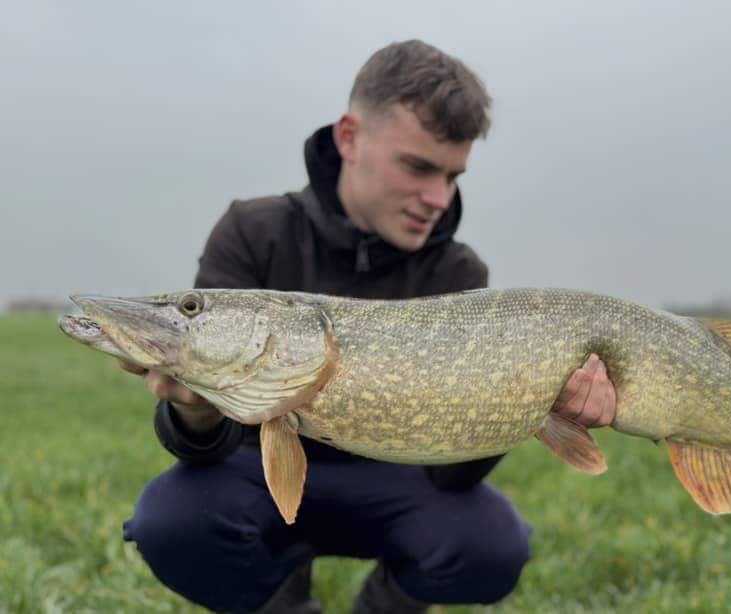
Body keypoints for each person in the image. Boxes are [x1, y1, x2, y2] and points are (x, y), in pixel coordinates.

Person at [119, 40, 616, 614]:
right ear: (350, 138)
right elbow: (202, 449)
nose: (438, 198)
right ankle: (282, 600)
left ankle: (382, 607)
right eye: (418, 167)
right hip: (258, 473)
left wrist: (536, 406)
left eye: (453, 176)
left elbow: (450, 477)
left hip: (396, 483)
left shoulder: (458, 272)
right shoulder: (253, 233)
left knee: (490, 545)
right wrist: (195, 408)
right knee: (172, 522)